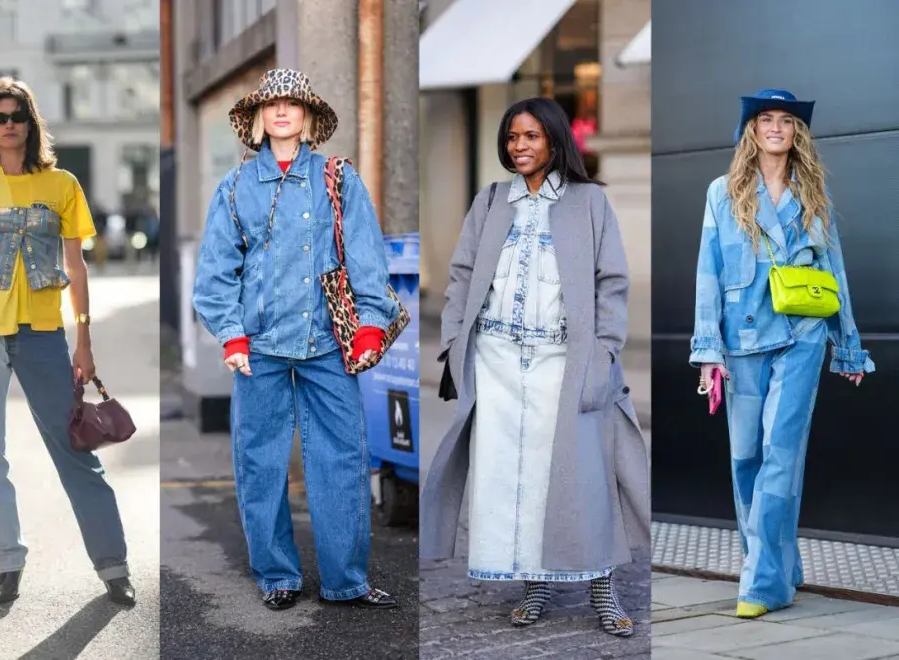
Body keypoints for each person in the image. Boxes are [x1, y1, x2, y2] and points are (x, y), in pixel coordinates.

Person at [420, 97, 650, 635]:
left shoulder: (589, 201)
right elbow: (461, 274)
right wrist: (456, 341)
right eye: (511, 137)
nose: (518, 146)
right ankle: (535, 584)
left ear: (553, 139)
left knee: (583, 479)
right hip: (496, 360)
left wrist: (603, 352)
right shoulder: (491, 200)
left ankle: (602, 588)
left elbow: (611, 282)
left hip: (565, 362)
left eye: (530, 136)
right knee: (512, 481)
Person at [192, 68, 400, 611]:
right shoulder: (235, 188)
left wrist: (371, 325)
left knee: (342, 459)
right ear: (258, 120)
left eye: (293, 104)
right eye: (272, 105)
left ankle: (346, 580)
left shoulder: (338, 178)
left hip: (329, 344)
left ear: (307, 119)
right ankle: (277, 575)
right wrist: (232, 335)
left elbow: (366, 255)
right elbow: (216, 271)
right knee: (259, 464)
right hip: (258, 348)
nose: (282, 111)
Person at [0, 77, 135, 605]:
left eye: (16, 116)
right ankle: (8, 563)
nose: (8, 125)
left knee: (75, 451)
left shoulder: (62, 185)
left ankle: (114, 567)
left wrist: (84, 339)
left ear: (30, 123)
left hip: (43, 333)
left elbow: (76, 265)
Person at [690, 89, 872, 618]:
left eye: (786, 120)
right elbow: (708, 273)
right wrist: (708, 350)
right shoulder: (722, 193)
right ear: (751, 130)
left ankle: (762, 584)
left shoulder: (812, 195)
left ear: (797, 133)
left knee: (780, 459)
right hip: (742, 342)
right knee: (747, 457)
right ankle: (779, 565)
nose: (775, 127)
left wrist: (850, 348)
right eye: (766, 119)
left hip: (802, 338)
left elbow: (835, 271)